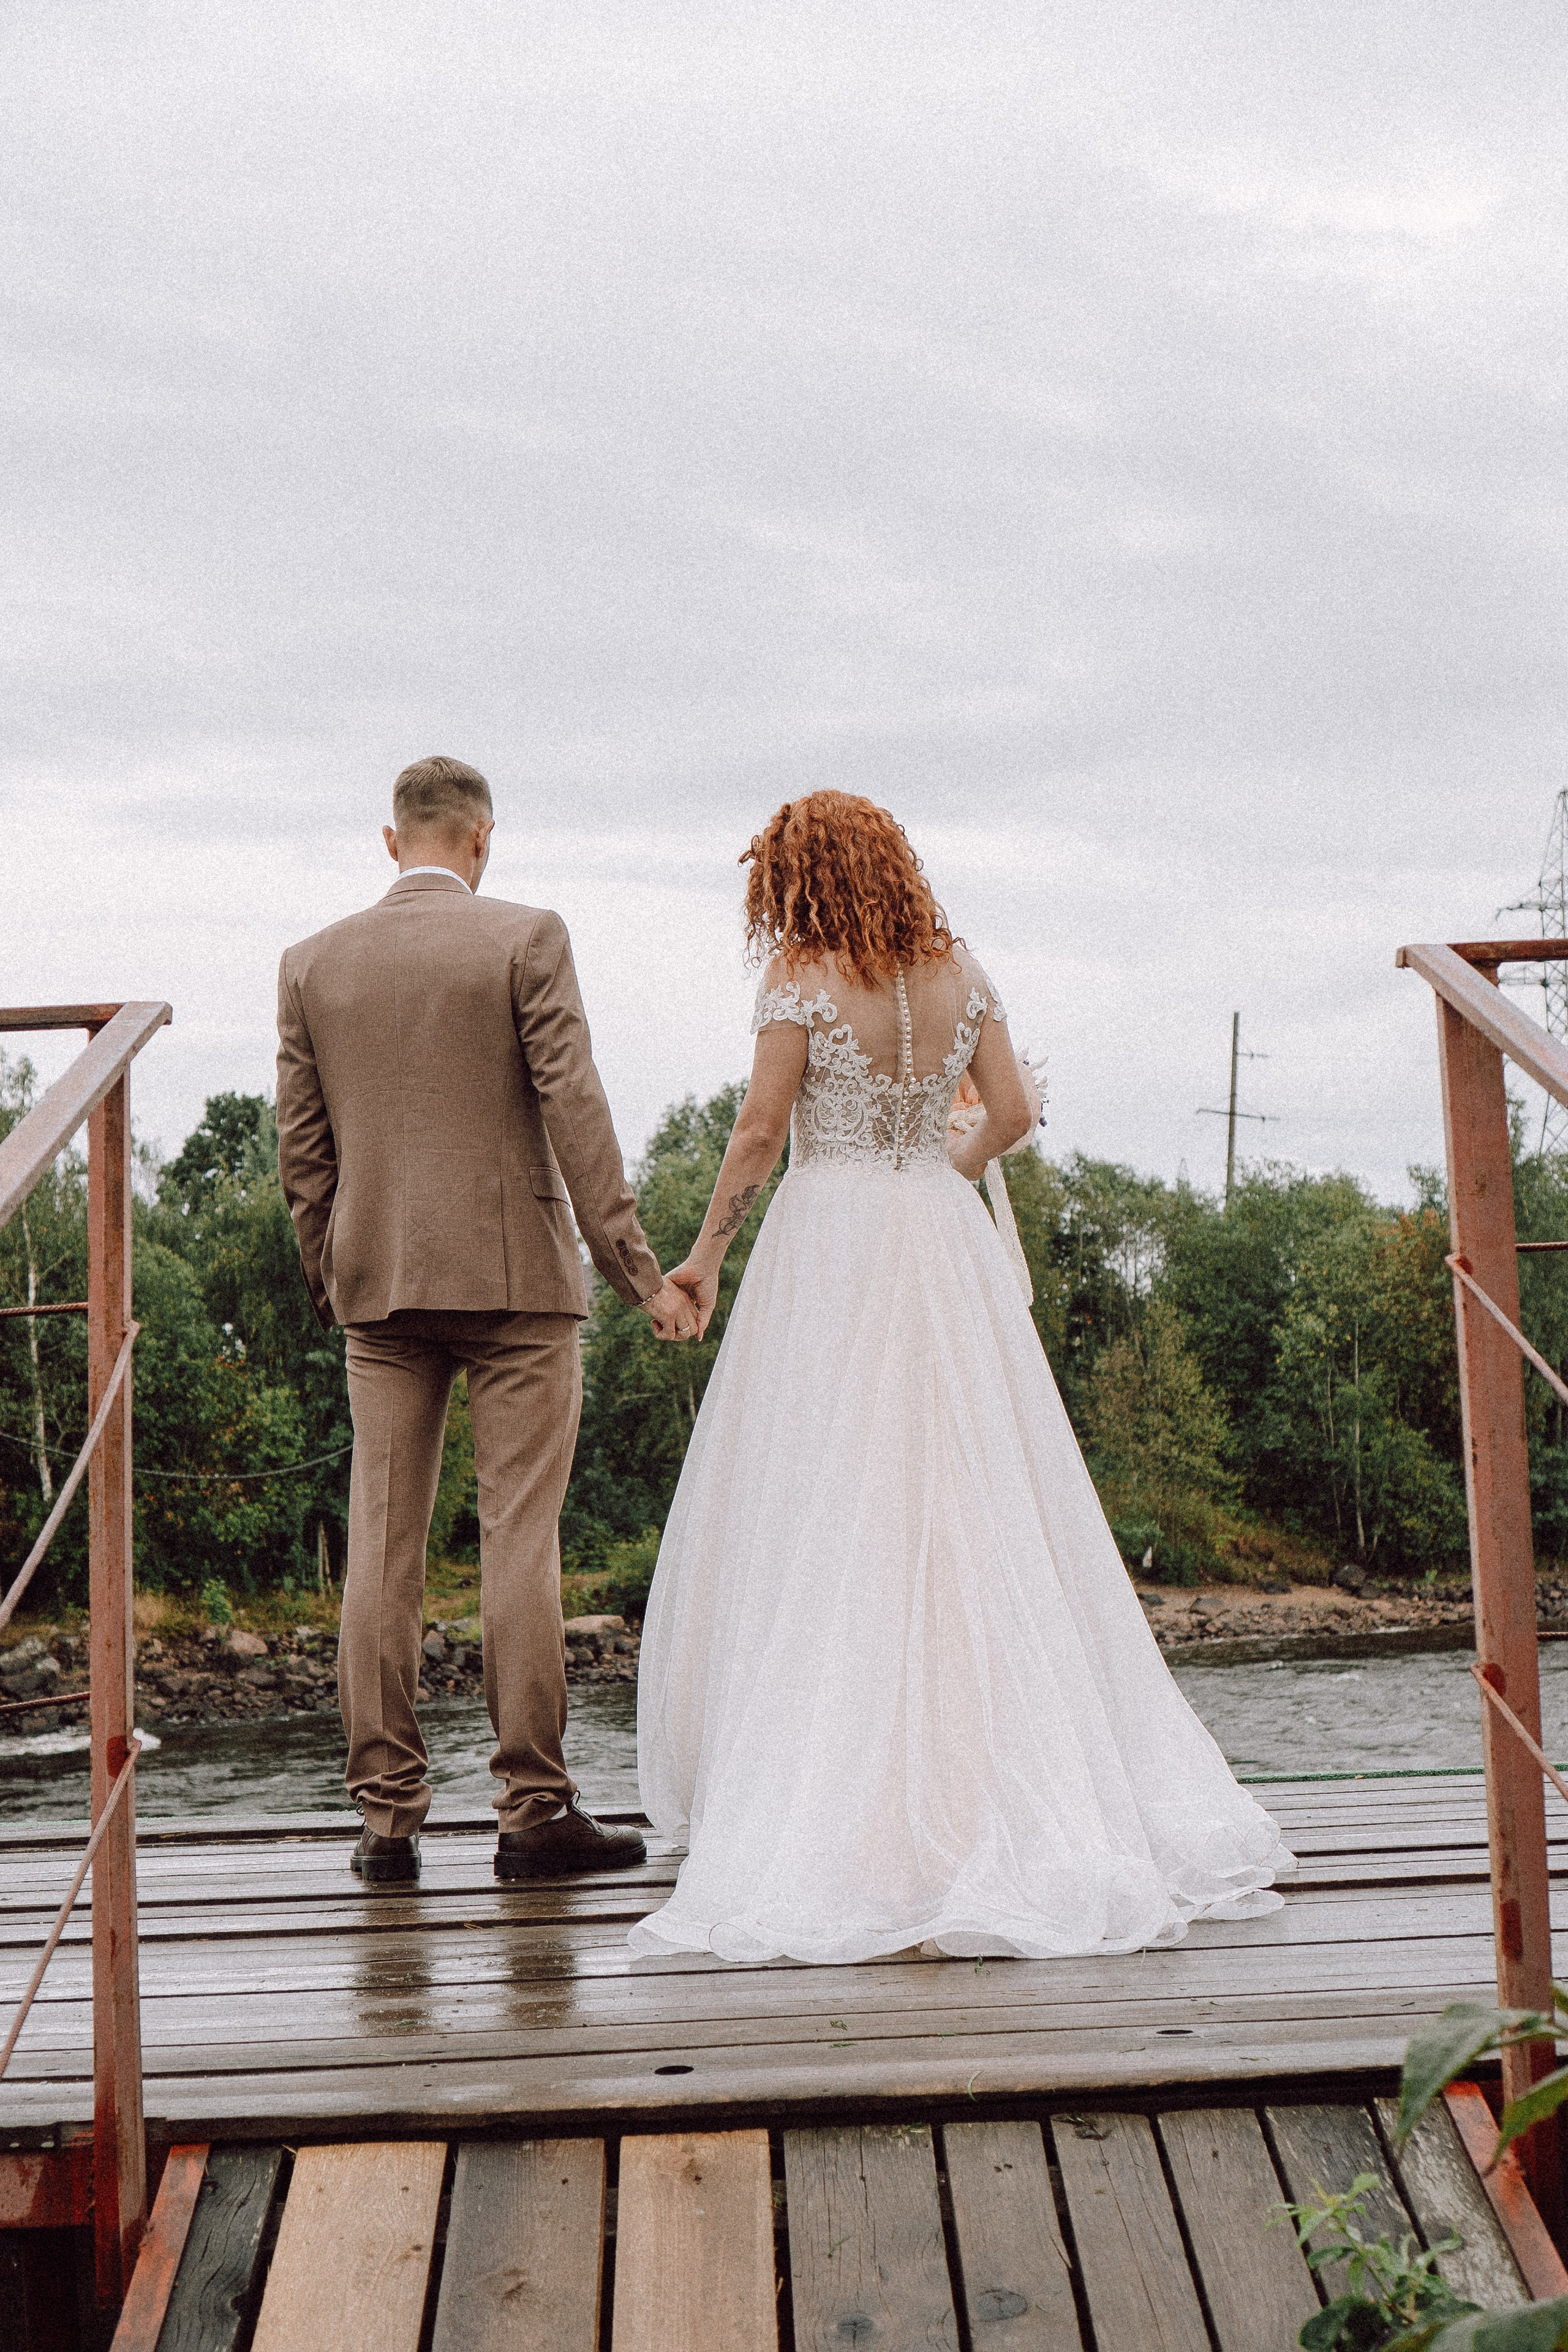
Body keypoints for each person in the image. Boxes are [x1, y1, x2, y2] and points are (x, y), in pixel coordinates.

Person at [635, 791, 1289, 1962]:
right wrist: (945, 1155)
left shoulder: (798, 971)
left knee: (824, 1504)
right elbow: (1019, 1113)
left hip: (830, 1241)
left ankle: (833, 1802)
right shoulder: (959, 966)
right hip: (938, 1237)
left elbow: (757, 1133)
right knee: (976, 1505)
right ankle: (997, 1780)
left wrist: (702, 1260)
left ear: (794, 876)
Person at [276, 755, 698, 1886]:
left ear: (390, 840)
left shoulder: (311, 964)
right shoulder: (527, 936)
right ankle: (532, 1813)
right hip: (519, 1284)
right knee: (520, 1537)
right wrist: (639, 1273)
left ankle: (386, 1824)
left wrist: (334, 1276)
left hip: (379, 1288)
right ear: (483, 839)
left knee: (382, 1545)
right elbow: (576, 1104)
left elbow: (303, 1151)